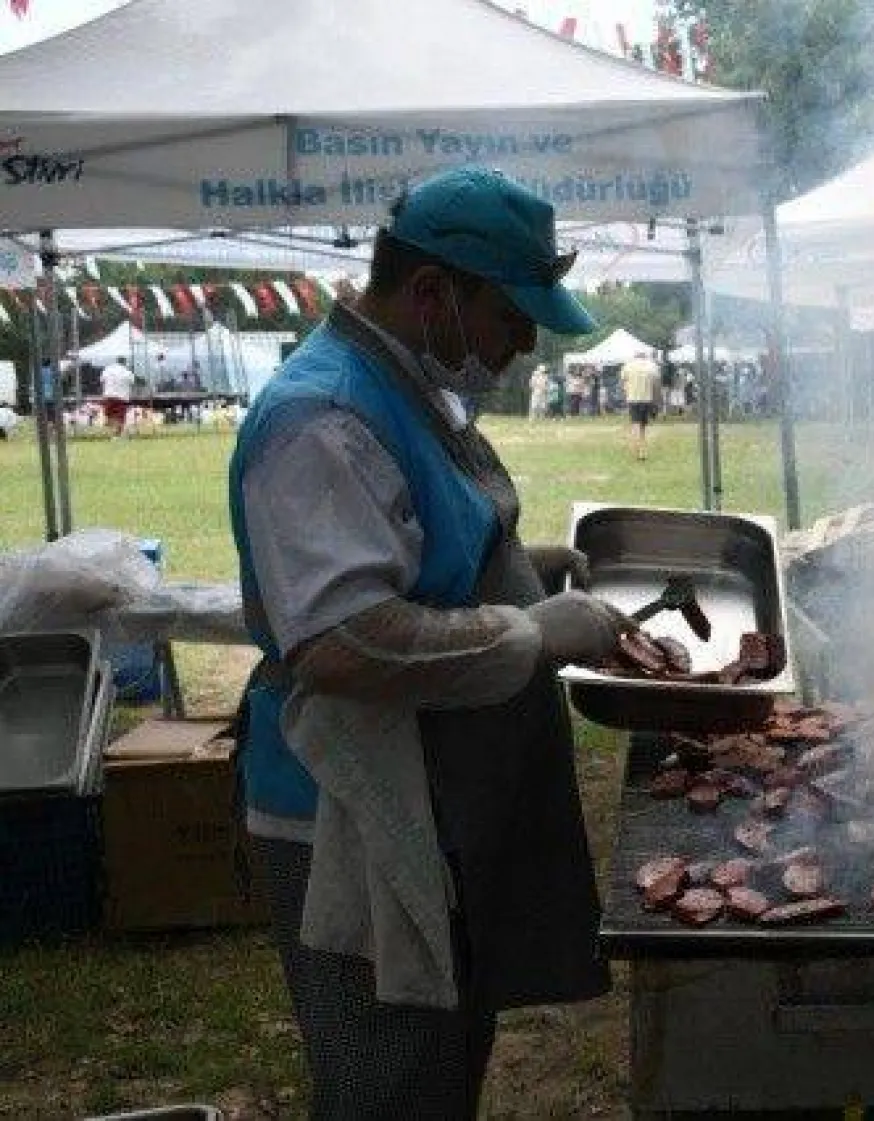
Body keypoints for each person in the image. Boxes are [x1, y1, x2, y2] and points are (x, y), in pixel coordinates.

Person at [227, 166, 628, 1119]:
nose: (524, 342)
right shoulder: (320, 418)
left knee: (443, 1063)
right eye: (510, 316)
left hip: (433, 790)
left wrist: (513, 566)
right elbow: (342, 639)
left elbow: (398, 553)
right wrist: (527, 632)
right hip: (349, 814)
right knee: (389, 1078)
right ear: (433, 294)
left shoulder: (400, 383)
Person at [619, 348, 660, 461]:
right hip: (647, 399)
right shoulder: (652, 366)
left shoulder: (628, 366)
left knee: (635, 424)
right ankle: (642, 451)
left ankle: (637, 451)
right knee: (643, 426)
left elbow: (623, 381)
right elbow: (656, 384)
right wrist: (656, 400)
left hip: (633, 399)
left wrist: (626, 392)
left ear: (635, 355)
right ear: (645, 356)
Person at [99, 355, 135, 436]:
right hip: (122, 397)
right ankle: (117, 434)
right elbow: (132, 383)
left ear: (116, 361)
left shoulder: (108, 369)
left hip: (109, 395)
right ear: (124, 362)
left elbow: (102, 381)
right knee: (120, 417)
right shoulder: (127, 372)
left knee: (109, 415)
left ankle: (112, 432)